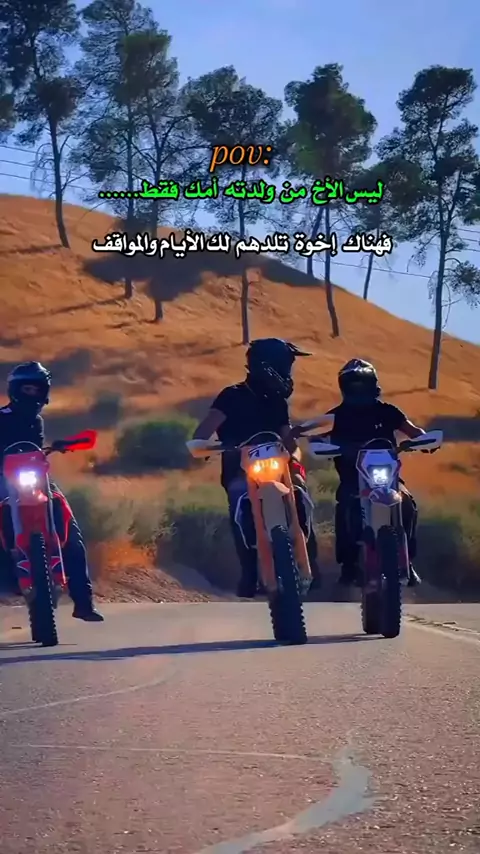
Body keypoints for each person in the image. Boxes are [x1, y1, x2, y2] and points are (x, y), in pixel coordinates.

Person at [191, 338, 321, 598]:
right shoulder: (231, 396)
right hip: (240, 468)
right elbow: (204, 430)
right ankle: (249, 571)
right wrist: (204, 445)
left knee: (300, 495)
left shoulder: (277, 401)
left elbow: (287, 437)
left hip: (279, 467)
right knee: (240, 504)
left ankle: (310, 560)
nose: (288, 373)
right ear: (268, 366)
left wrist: (295, 456)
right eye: (285, 366)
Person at [0, 362, 104, 621]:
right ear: (15, 390)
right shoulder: (1, 416)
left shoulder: (37, 421)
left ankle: (84, 601)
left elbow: (35, 451)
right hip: (2, 479)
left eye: (37, 389)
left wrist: (60, 446)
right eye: (27, 389)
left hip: (34, 479)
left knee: (68, 524)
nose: (32, 394)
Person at [326, 358, 432, 587]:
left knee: (407, 503)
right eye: (353, 384)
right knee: (345, 507)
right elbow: (317, 436)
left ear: (373, 384)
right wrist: (320, 445)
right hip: (353, 479)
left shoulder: (387, 412)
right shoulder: (335, 416)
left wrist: (425, 440)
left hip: (388, 479)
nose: (359, 389)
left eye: (363, 383)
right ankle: (348, 565)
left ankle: (407, 560)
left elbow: (413, 431)